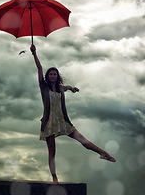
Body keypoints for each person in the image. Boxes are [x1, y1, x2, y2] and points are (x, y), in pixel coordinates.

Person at [30, 44, 116, 184]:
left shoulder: (60, 88)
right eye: (50, 74)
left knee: (82, 139)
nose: (52, 76)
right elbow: (39, 68)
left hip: (63, 121)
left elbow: (67, 87)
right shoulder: (44, 87)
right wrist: (34, 53)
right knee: (52, 151)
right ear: (47, 76)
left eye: (54, 74)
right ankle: (54, 177)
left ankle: (103, 153)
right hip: (49, 122)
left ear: (57, 76)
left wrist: (72, 89)